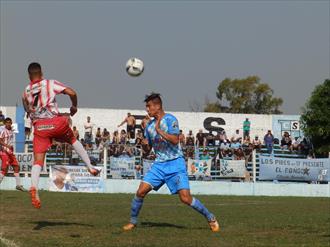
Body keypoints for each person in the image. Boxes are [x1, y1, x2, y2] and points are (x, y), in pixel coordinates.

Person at [122, 93, 219, 232]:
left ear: (157, 106)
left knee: (185, 198)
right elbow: (148, 151)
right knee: (140, 192)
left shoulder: (170, 119)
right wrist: (144, 144)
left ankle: (210, 217)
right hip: (159, 165)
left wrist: (159, 131)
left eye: (149, 106)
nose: (147, 110)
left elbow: (175, 140)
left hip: (175, 163)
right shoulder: (148, 126)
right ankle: (132, 222)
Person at [22, 62, 100, 209]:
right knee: (72, 139)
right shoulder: (49, 83)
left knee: (38, 161)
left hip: (40, 127)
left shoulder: (26, 90)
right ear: (42, 73)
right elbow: (72, 92)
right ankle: (90, 166)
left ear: (29, 76)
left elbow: (24, 100)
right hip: (56, 123)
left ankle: (34, 187)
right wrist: (74, 106)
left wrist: (28, 110)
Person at [0, 118, 26, 191]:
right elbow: (0, 140)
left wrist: (10, 147)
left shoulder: (11, 130)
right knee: (4, 169)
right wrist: (6, 145)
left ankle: (18, 185)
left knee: (16, 167)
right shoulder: (3, 131)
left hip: (10, 152)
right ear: (5, 123)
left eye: (10, 122)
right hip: (4, 151)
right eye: (7, 122)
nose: (8, 124)